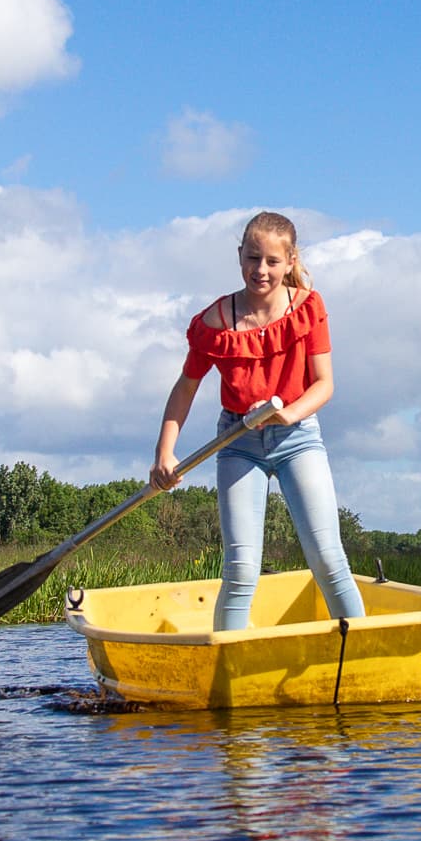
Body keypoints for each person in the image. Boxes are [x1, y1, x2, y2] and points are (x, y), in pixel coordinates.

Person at [150, 211, 369, 633]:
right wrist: (164, 453)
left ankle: (363, 649)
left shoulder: (308, 307)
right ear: (239, 256)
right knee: (241, 569)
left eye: (272, 261)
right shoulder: (214, 323)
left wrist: (289, 413)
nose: (261, 270)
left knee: (327, 557)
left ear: (290, 261)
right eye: (252, 258)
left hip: (298, 437)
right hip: (238, 441)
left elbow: (324, 384)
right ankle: (228, 662)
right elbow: (185, 387)